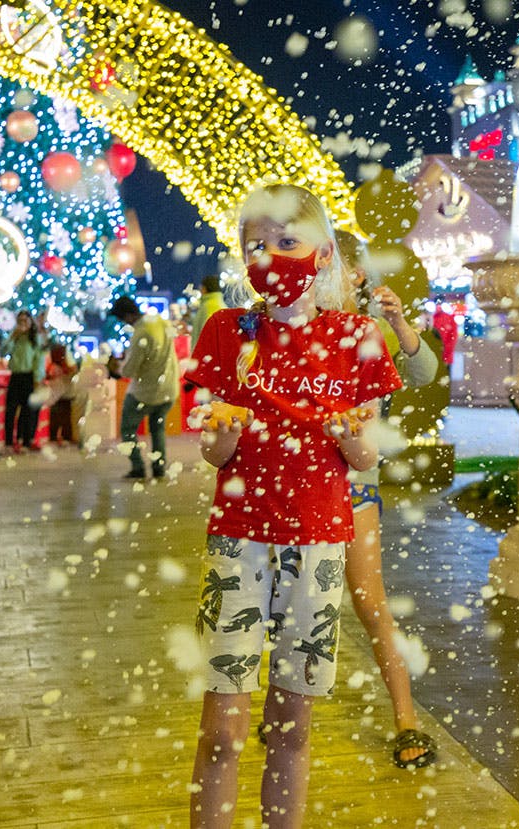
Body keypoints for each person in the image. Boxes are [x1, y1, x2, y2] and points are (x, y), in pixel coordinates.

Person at [185, 184, 402, 828]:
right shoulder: (228, 330)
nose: (270, 257)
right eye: (256, 244)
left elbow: (366, 461)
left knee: (291, 729)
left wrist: (351, 434)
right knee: (222, 730)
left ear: (324, 251)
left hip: (317, 545)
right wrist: (222, 430)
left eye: (286, 241)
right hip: (239, 540)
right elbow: (216, 456)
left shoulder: (359, 336)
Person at [335, 229, 440, 769]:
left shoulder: (370, 329)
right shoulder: (295, 329)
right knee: (291, 605)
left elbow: (423, 373)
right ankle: (283, 713)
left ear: (353, 274)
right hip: (301, 488)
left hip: (354, 490)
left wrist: (399, 323)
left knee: (371, 602)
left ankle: (406, 720)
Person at [109, 295, 180, 480]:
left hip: (145, 392)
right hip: (169, 388)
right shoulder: (159, 320)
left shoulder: (141, 333)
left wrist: (119, 367)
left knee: (127, 429)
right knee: (158, 429)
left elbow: (130, 369)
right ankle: (159, 468)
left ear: (128, 316)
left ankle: (138, 467)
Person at [0, 309, 47, 453]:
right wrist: (13, 336)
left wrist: (37, 379)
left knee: (27, 411)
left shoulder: (35, 339)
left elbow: (39, 360)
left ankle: (26, 441)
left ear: (30, 322)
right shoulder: (15, 337)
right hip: (15, 376)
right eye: (20, 321)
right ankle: (8, 442)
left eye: (25, 321)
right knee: (10, 410)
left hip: (29, 377)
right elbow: (3, 351)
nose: (22, 324)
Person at [44, 342, 77, 446]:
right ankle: (63, 436)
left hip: (60, 394)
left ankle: (56, 436)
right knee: (63, 416)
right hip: (63, 394)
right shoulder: (59, 365)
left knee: (60, 416)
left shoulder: (53, 365)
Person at [191, 274, 226, 351]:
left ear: (204, 288)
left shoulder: (210, 306)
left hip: (206, 357)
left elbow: (209, 336)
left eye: (201, 287)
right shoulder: (217, 303)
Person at [432, 298, 458, 368]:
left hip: (448, 352)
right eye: (437, 304)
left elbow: (454, 336)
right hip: (436, 351)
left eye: (440, 304)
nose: (439, 306)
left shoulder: (450, 318)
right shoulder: (432, 318)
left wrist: (448, 351)